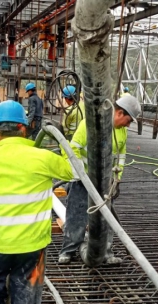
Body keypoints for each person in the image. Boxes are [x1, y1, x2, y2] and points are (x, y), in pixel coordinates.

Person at [0, 100, 75, 304]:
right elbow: (73, 170)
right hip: (32, 246)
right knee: (26, 298)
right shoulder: (43, 158)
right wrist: (64, 145)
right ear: (23, 128)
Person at [58, 96, 142, 264]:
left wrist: (117, 179)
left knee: (107, 216)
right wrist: (81, 173)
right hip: (83, 179)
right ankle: (69, 250)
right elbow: (73, 148)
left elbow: (121, 156)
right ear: (119, 113)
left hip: (104, 181)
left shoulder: (122, 131)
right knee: (76, 214)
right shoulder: (90, 124)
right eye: (129, 120)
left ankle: (106, 252)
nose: (129, 124)